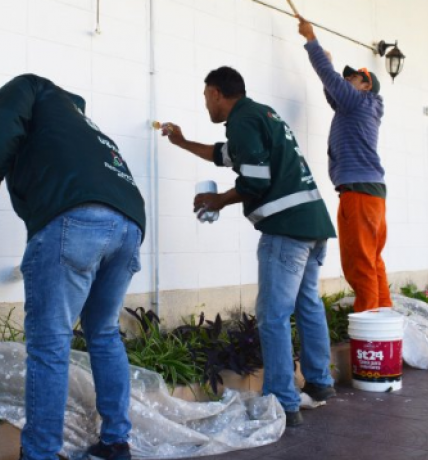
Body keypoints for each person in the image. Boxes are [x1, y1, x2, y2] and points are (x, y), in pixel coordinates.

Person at [0, 74, 145, 460]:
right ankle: (115, 442)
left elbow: (3, 124)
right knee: (105, 332)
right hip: (129, 224)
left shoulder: (27, 88)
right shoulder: (81, 125)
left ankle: (40, 453)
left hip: (74, 218)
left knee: (50, 344)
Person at [160, 67, 337, 427]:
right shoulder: (261, 115)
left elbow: (255, 181)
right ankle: (319, 383)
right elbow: (225, 155)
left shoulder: (243, 120)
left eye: (205, 97)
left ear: (214, 92)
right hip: (313, 225)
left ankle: (282, 401)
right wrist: (181, 142)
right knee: (307, 305)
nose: (206, 104)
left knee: (272, 315)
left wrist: (217, 200)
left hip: (285, 229)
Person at [298, 18, 393, 314]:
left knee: (358, 263)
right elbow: (332, 91)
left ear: (366, 85)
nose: (348, 78)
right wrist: (326, 61)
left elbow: (330, 80)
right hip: (369, 195)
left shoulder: (360, 101)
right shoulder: (357, 106)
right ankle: (383, 317)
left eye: (354, 77)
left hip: (360, 195)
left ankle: (368, 328)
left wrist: (312, 41)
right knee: (372, 260)